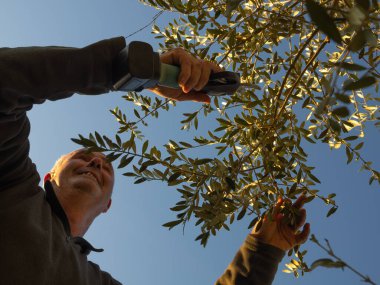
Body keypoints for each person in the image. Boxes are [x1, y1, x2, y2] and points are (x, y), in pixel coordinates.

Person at [0, 37, 310, 285]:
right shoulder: (12, 185)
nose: (96, 163)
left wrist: (263, 252)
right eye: (83, 157)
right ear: (48, 176)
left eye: (106, 166)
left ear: (107, 205)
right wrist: (137, 71)